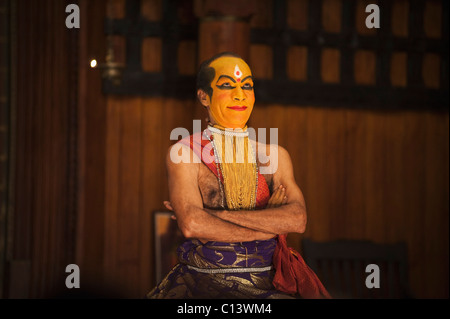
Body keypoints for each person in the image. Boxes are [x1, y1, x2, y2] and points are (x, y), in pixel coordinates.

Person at [147, 52, 330, 299]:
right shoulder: (184, 153)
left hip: (268, 279)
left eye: (247, 86)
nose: (239, 94)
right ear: (203, 96)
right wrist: (269, 227)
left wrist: (211, 215)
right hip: (201, 281)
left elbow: (297, 219)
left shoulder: (275, 156)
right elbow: (192, 225)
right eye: (226, 85)